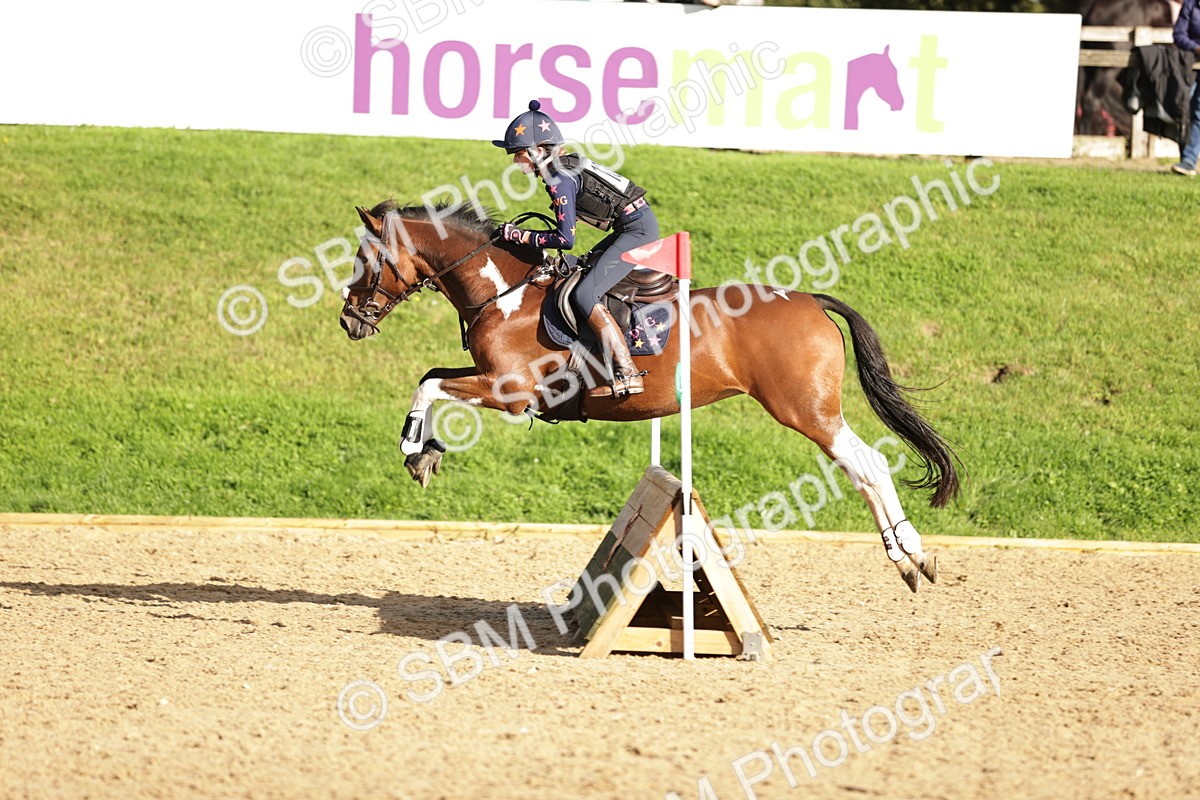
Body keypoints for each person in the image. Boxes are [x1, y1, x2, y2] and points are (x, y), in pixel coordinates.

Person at [492, 99, 659, 398]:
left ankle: (628, 372)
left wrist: (517, 235)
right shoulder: (563, 167)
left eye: (518, 155)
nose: (516, 163)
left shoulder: (558, 177)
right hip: (631, 225)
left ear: (537, 151)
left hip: (637, 229)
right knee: (584, 274)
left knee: (584, 293)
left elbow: (565, 239)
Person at [1171, 0, 1200, 176]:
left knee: (1198, 112)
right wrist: (1196, 48)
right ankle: (1186, 158)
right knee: (1182, 108)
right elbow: (1178, 34)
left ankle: (1189, 160)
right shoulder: (1191, 3)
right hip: (1188, 66)